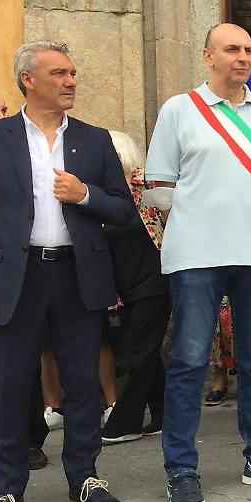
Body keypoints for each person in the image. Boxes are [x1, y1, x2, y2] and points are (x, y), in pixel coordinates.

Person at [0, 41, 136, 502]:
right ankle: (7, 488)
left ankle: (84, 476)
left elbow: (125, 211)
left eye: (73, 73)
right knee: (9, 386)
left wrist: (85, 194)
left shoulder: (94, 140)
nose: (71, 82)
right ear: (29, 79)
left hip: (75, 274)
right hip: (13, 279)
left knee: (83, 382)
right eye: (60, 73)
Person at [146, 22, 251, 502]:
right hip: (196, 254)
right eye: (232, 49)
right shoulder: (179, 110)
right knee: (190, 362)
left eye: (249, 50)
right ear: (207, 55)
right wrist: (205, 215)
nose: (243, 57)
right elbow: (157, 187)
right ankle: (181, 469)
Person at [0, 86, 49, 481]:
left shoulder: (16, 150)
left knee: (22, 360)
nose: (0, 115)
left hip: (12, 272)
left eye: (3, 108)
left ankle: (31, 438)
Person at [100, 131, 169, 443]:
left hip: (156, 277)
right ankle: (165, 413)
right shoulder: (102, 193)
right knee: (145, 351)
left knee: (138, 351)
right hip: (124, 286)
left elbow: (172, 218)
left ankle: (124, 422)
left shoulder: (147, 183)